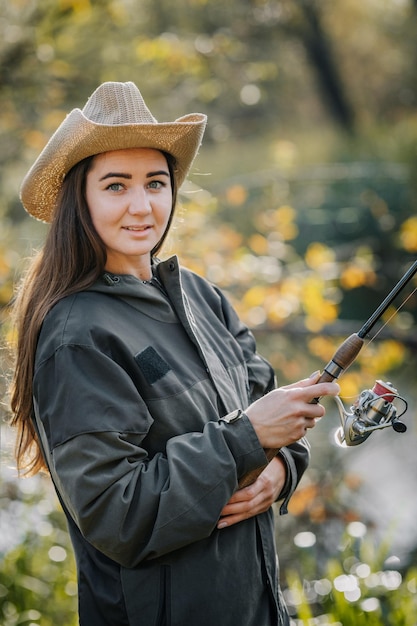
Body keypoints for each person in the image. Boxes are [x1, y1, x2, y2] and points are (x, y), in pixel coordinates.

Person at [9, 81, 339, 626]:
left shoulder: (200, 296)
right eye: (116, 186)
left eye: (155, 183)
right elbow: (118, 514)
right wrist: (248, 439)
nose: (142, 206)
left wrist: (281, 465)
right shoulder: (76, 336)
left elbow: (269, 408)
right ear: (80, 199)